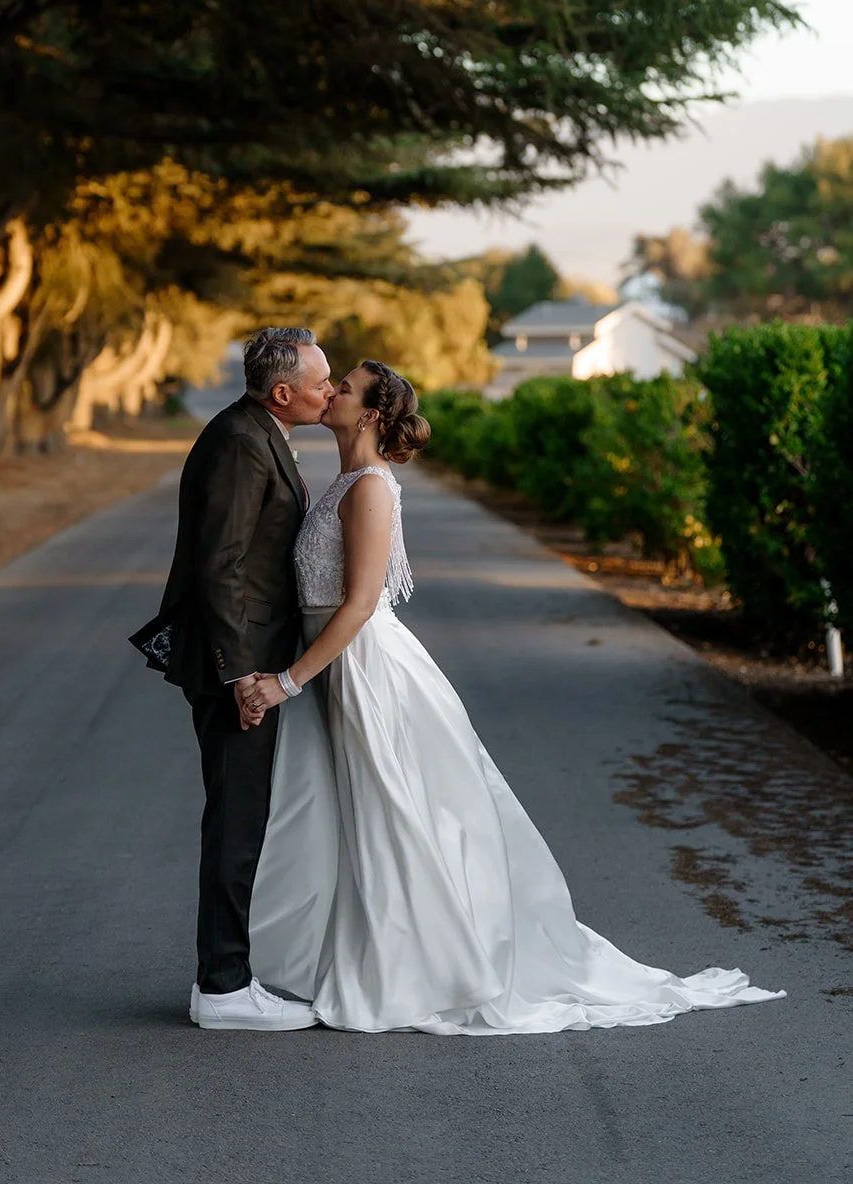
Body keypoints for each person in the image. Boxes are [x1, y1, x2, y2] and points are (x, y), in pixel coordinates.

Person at [238, 359, 785, 1035]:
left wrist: (287, 682)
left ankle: (417, 968)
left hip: (365, 668)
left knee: (395, 815)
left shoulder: (372, 489)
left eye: (343, 388)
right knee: (363, 816)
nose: (331, 393)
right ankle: (367, 956)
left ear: (373, 415)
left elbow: (356, 606)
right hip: (341, 664)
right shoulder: (345, 480)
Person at [129, 327, 334, 1030]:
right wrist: (242, 674)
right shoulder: (239, 443)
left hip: (249, 661)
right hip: (234, 668)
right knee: (235, 821)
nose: (329, 391)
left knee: (245, 816)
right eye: (320, 383)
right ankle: (221, 987)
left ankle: (230, 975)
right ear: (284, 393)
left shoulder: (257, 431)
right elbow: (218, 567)